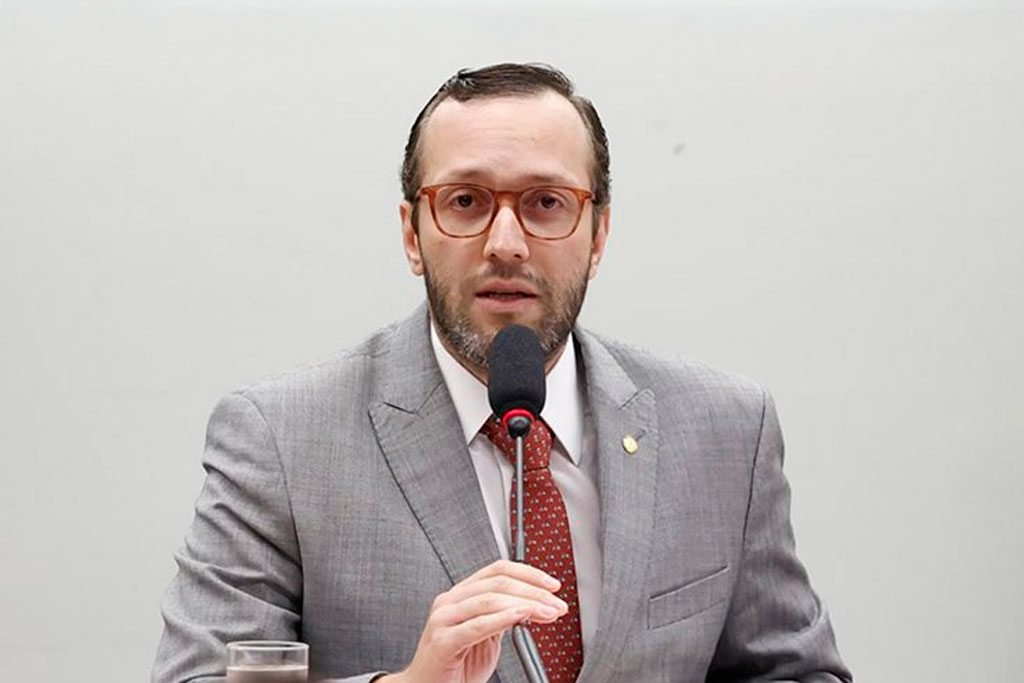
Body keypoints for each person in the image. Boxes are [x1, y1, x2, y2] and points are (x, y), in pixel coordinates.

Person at [153, 63, 852, 683]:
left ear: (598, 233)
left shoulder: (726, 428)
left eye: (546, 202)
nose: (507, 243)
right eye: (466, 202)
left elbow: (793, 670)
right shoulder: (282, 437)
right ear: (411, 234)